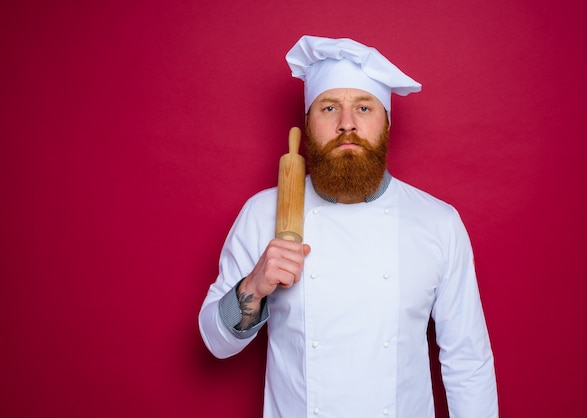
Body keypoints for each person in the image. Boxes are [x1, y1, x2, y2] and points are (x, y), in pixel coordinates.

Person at [199, 35, 498, 417]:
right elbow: (215, 342)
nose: (346, 125)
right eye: (328, 108)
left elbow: (468, 360)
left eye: (363, 107)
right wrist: (253, 287)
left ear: (386, 122)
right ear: (308, 125)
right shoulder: (263, 213)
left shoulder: (438, 222)